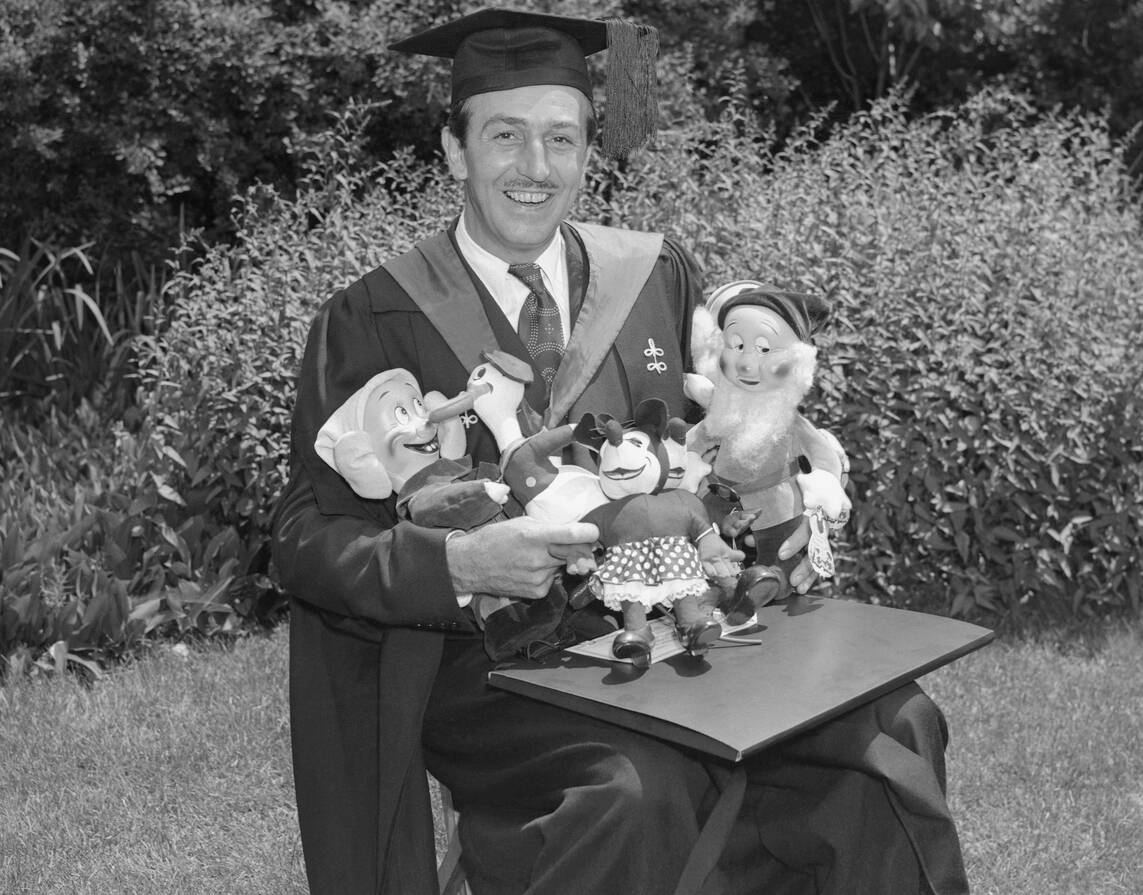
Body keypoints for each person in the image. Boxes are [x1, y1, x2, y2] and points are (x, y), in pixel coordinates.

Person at [272, 8, 969, 894]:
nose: (536, 166)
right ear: (453, 151)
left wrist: (769, 499)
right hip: (496, 673)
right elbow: (303, 540)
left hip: (679, 629)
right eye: (505, 136)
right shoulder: (375, 315)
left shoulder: (650, 274)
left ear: (589, 152)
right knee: (638, 788)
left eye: (561, 138)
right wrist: (458, 560)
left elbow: (705, 449)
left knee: (895, 725)